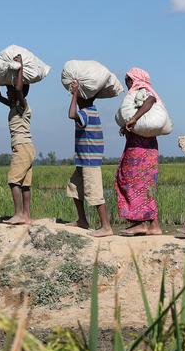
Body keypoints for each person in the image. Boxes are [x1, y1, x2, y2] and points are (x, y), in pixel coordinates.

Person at [115, 68, 162, 236]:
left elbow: (150, 100)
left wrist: (133, 119)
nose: (127, 84)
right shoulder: (139, 93)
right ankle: (154, 225)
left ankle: (141, 223)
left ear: (133, 79)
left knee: (130, 180)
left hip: (139, 150)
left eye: (127, 80)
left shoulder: (142, 90)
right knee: (146, 185)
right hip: (147, 148)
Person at [0, 54, 34, 225]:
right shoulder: (13, 106)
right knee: (24, 184)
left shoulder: (23, 106)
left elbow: (17, 89)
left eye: (10, 90)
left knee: (13, 180)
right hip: (25, 147)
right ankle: (26, 215)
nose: (7, 93)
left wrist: (20, 67)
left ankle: (19, 214)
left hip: (22, 147)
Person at [67, 79, 113, 237]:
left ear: (83, 98)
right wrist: (77, 94)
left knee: (95, 193)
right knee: (74, 186)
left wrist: (74, 94)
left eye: (79, 97)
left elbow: (71, 114)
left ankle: (106, 226)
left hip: (89, 161)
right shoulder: (91, 110)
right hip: (82, 160)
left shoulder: (86, 112)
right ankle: (82, 220)